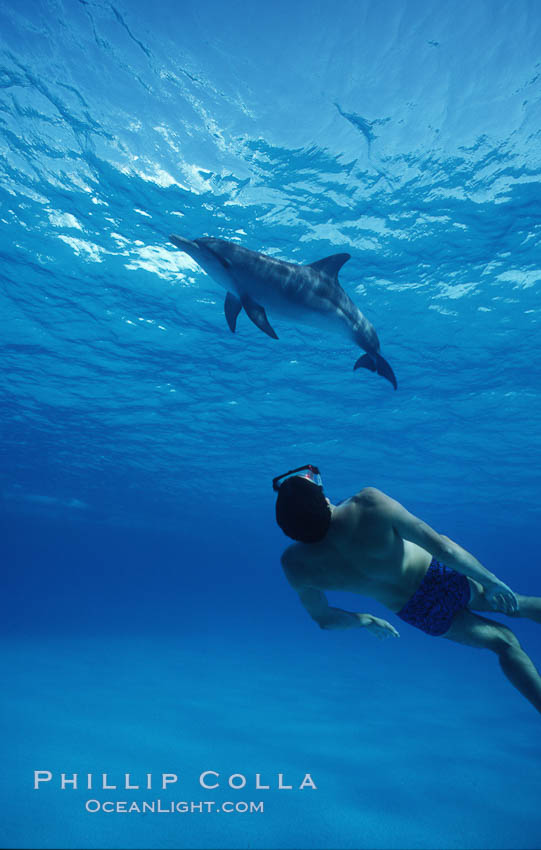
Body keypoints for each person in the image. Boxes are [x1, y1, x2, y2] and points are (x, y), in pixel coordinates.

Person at [274, 465, 541, 714]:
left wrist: (366, 620)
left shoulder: (296, 565)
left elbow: (324, 620)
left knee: (504, 643)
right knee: (518, 604)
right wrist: (490, 580)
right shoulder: (367, 504)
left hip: (418, 610)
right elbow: (443, 548)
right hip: (440, 575)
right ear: (321, 499)